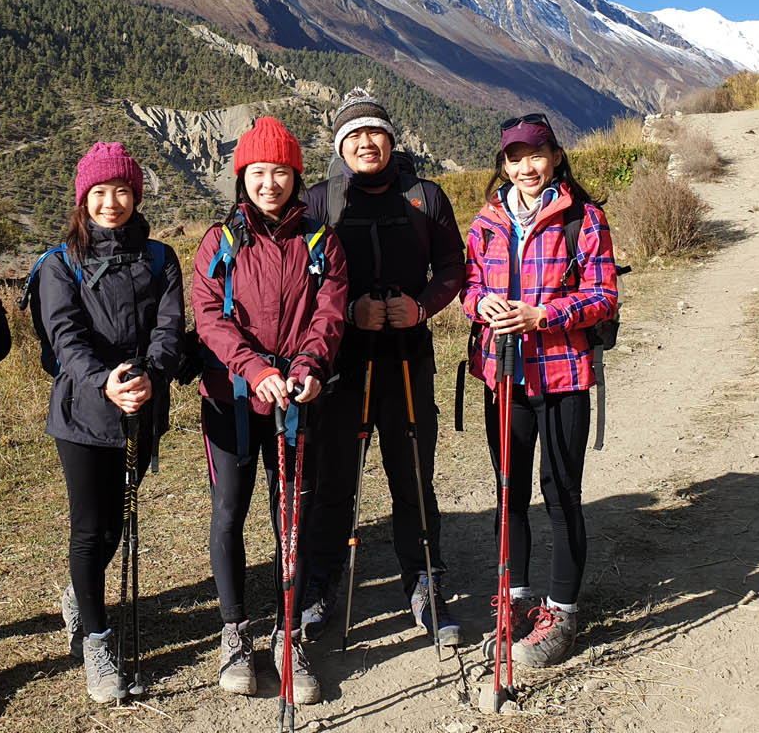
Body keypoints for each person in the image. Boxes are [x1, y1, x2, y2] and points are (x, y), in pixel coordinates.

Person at [192, 116, 347, 705]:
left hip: (296, 401)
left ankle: (289, 636)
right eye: (259, 172)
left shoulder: (320, 241)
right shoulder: (221, 241)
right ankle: (236, 633)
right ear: (242, 177)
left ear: (296, 176)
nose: (270, 183)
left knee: (292, 518)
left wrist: (306, 368)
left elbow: (328, 315)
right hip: (231, 399)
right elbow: (209, 315)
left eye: (281, 172)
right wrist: (256, 370)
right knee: (229, 512)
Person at [301, 89, 466, 645]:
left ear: (392, 141)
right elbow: (301, 280)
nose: (366, 143)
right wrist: (349, 311)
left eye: (375, 133)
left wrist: (420, 306)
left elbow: (451, 268)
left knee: (412, 474)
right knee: (333, 478)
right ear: (340, 146)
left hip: (406, 359)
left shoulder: (426, 197)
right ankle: (319, 585)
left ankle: (424, 581)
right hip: (340, 365)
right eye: (353, 135)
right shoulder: (319, 202)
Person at [462, 112, 618, 667]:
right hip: (502, 375)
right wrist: (480, 303)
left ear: (554, 155)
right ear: (503, 163)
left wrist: (542, 316)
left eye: (536, 154)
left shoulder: (584, 218)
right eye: (515, 156)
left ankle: (563, 614)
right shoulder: (487, 221)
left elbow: (603, 295)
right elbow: (471, 284)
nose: (526, 166)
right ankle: (515, 602)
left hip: (562, 375)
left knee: (560, 494)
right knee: (509, 493)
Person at [35, 142, 184, 703]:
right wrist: (105, 381)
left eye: (121, 190)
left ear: (136, 194)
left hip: (143, 409)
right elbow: (65, 337)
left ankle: (82, 594)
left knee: (120, 516)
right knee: (89, 525)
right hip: (82, 416)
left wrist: (151, 374)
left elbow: (170, 327)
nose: (111, 202)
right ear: (82, 200)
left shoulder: (159, 257)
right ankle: (95, 638)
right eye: (99, 192)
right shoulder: (59, 264)